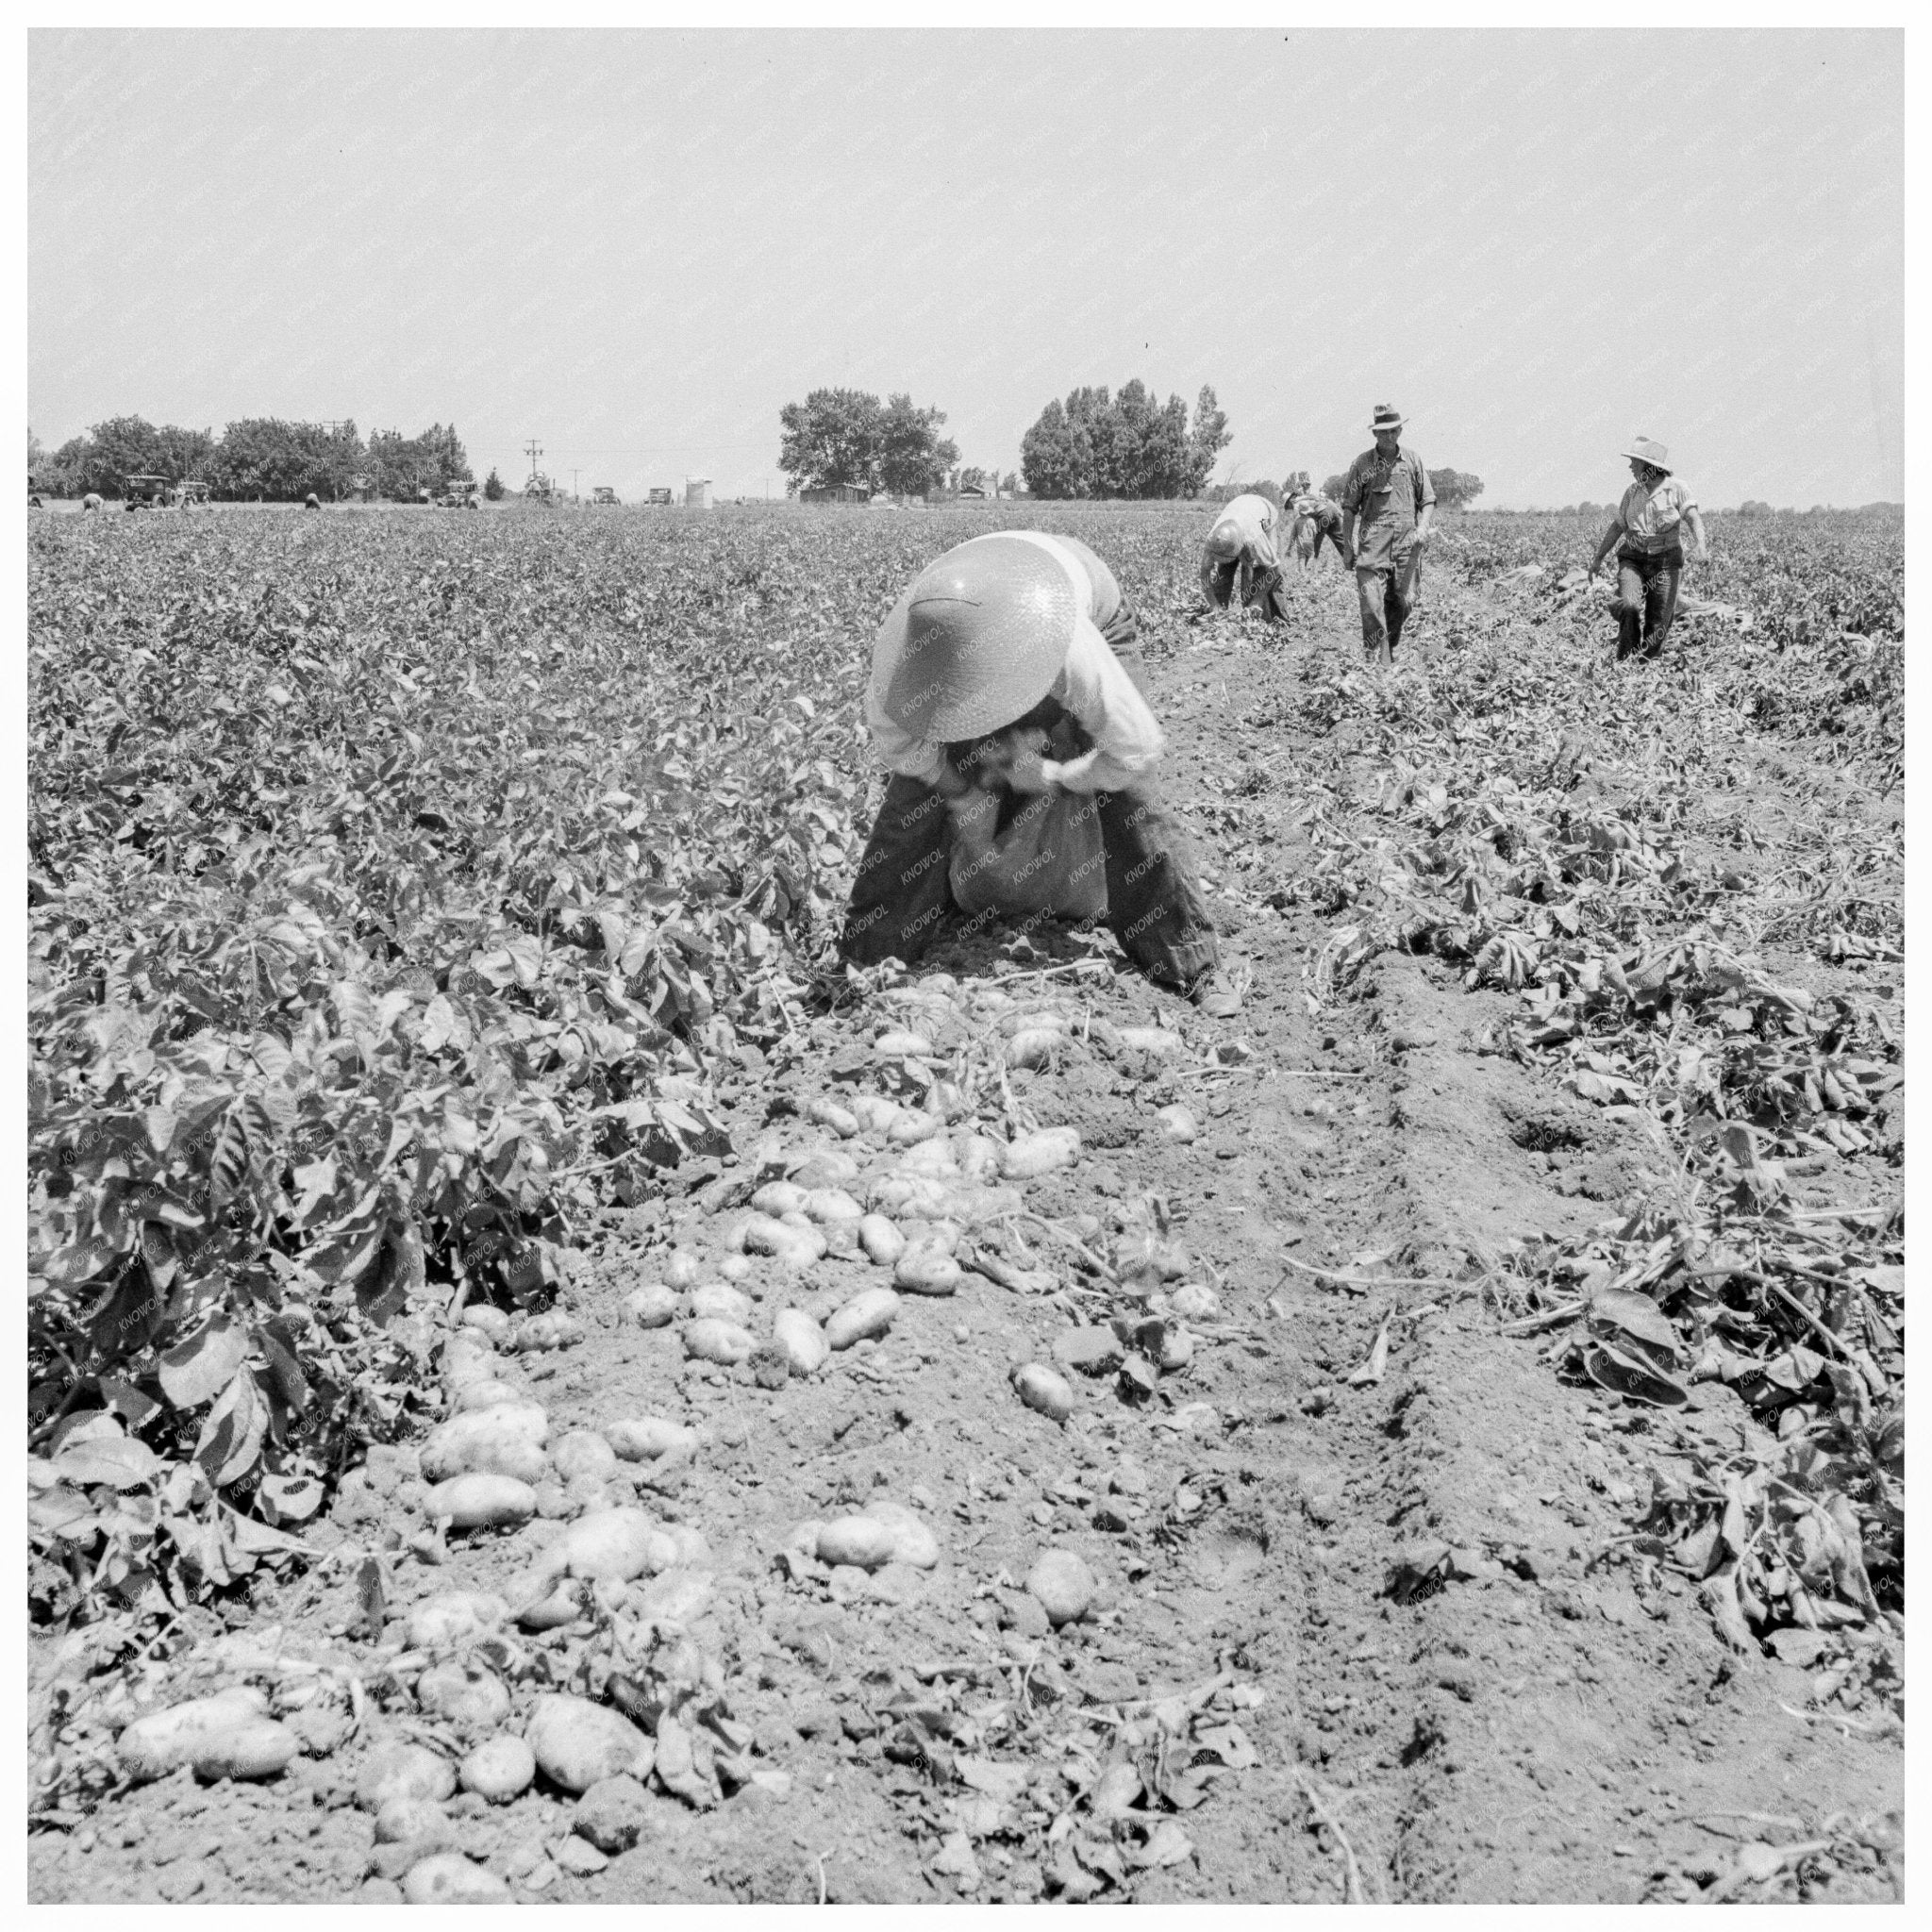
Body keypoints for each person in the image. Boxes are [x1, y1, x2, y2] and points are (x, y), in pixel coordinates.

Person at [842, 530, 1241, 1014]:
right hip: (976, 604)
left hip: (1082, 604)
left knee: (1131, 800)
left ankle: (1190, 959)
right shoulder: (899, 667)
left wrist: (1056, 775)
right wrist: (962, 792)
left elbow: (1134, 753)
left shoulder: (1071, 646)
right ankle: (864, 960)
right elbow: (911, 757)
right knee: (912, 802)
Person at [1585, 438, 1708, 660]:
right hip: (1633, 559)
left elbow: (1693, 519)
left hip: (1666, 562)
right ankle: (1625, 658)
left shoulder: (1677, 489)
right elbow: (1617, 527)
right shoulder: (1632, 492)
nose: (1631, 467)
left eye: (1635, 462)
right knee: (1630, 605)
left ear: (1650, 465)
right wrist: (1598, 558)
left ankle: (1647, 665)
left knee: (1659, 622)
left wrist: (1701, 544)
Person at [1340, 404, 1435, 663]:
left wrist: (1423, 527)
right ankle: (1375, 662)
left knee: (1404, 602)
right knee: (1371, 604)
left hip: (1407, 545)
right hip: (1372, 545)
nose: (1389, 437)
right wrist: (1348, 547)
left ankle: (1388, 648)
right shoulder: (1361, 464)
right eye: (1383, 432)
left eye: (1393, 431)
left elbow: (1427, 500)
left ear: (1400, 430)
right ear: (1375, 434)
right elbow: (1349, 508)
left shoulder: (1413, 460)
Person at [1199, 491, 1288, 620]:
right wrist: (1213, 604)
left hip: (1265, 515)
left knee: (1262, 571)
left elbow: (1274, 568)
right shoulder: (1213, 540)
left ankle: (1277, 619)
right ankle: (1220, 612)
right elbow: (1204, 574)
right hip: (1239, 508)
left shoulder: (1254, 538)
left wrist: (1256, 601)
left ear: (1242, 547)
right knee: (1224, 570)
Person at [1286, 472, 1349, 573]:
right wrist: (1337, 511)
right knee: (1338, 537)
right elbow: (1325, 501)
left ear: (1289, 502)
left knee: (1317, 540)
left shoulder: (1297, 503)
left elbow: (1301, 521)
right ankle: (1352, 564)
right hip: (1330, 509)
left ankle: (1313, 567)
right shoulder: (1308, 495)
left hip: (1323, 513)